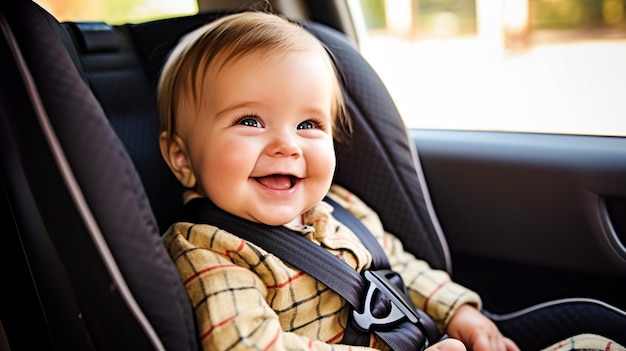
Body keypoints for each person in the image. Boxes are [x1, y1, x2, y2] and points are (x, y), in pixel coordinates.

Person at [157, 11, 623, 351]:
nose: (287, 145)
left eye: (309, 125)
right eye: (251, 121)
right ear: (182, 158)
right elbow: (248, 345)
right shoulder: (207, 248)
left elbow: (397, 270)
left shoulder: (341, 207)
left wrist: (460, 312)